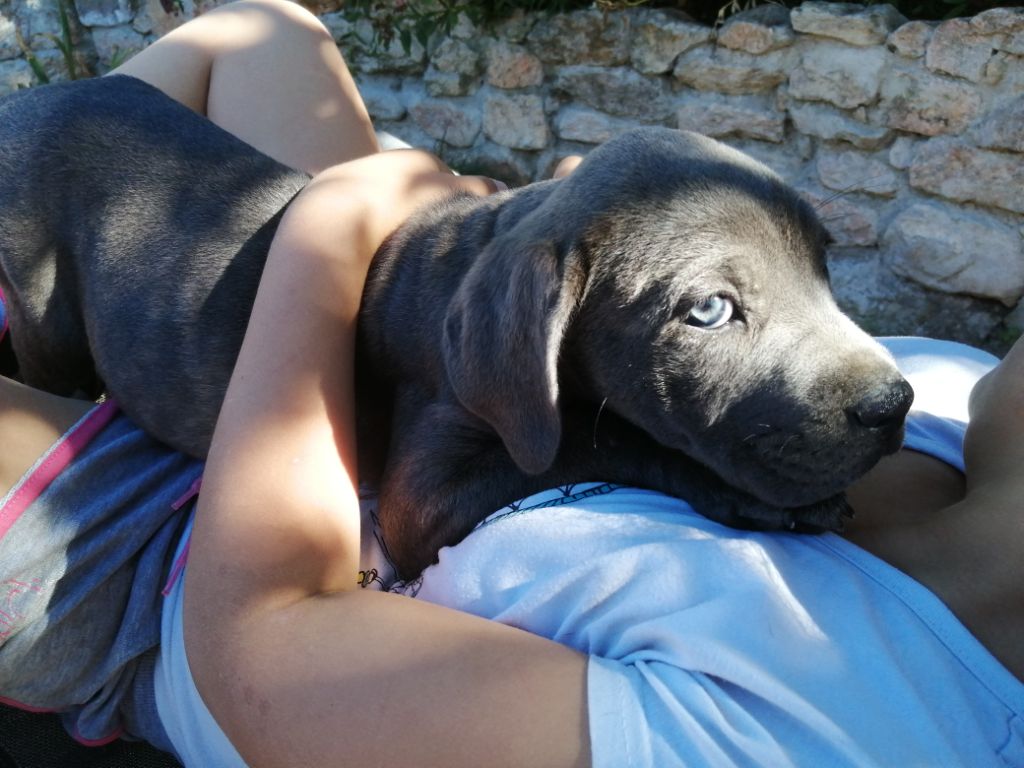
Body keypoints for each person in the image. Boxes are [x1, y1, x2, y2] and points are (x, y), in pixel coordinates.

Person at [0, 1, 1020, 765]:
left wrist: (333, 225)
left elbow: (365, 555)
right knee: (264, 28)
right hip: (196, 253)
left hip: (201, 548)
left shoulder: (823, 722)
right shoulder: (956, 403)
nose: (868, 370)